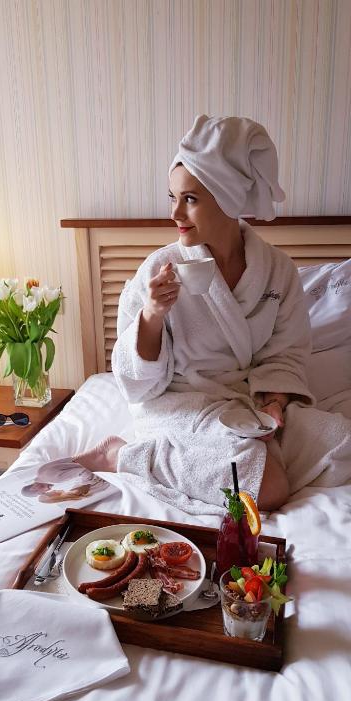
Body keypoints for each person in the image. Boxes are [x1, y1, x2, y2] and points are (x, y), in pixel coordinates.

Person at [73, 116, 351, 514]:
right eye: (172, 197)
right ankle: (123, 455)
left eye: (190, 199)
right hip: (180, 403)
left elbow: (285, 353)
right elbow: (135, 382)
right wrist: (152, 314)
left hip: (247, 402)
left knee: (340, 445)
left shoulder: (276, 270)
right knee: (270, 488)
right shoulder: (159, 268)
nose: (175, 213)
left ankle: (244, 450)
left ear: (228, 198)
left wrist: (273, 402)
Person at [21, 460, 107, 498]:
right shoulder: (40, 472)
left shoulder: (54, 479)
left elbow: (83, 471)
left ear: (33, 488)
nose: (45, 492)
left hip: (98, 462)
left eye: (41, 493)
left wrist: (87, 484)